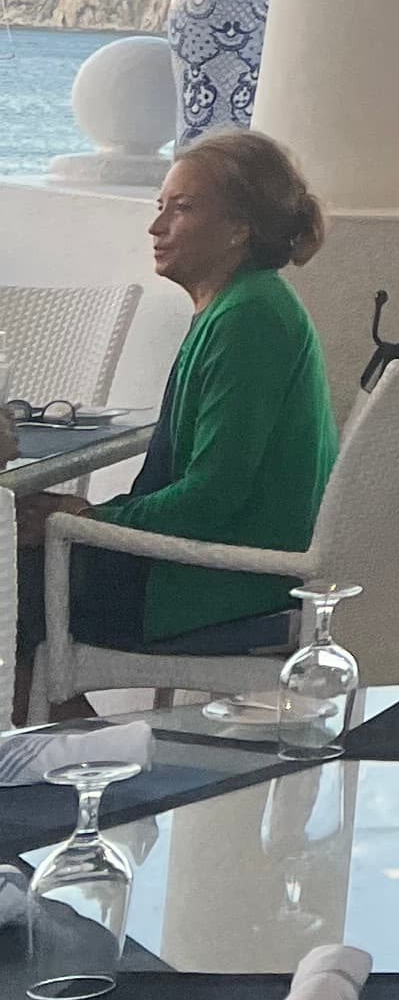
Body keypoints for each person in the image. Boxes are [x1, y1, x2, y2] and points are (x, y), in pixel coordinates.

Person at [19, 129, 339, 708]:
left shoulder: (250, 318)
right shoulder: (242, 304)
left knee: (9, 580)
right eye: (160, 205)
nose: (156, 226)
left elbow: (214, 495)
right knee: (17, 559)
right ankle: (72, 743)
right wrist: (82, 519)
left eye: (182, 208)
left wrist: (88, 517)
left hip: (220, 585)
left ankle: (67, 751)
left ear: (239, 227)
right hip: (210, 568)